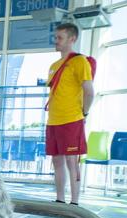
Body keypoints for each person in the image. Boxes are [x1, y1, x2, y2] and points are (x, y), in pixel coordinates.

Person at [46, 22, 94, 206]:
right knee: (57, 161)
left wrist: (84, 113)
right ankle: (60, 199)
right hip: (53, 120)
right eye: (56, 37)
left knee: (72, 162)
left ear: (72, 39)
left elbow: (89, 91)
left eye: (60, 38)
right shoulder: (53, 65)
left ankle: (74, 202)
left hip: (71, 119)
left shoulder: (79, 61)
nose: (56, 41)